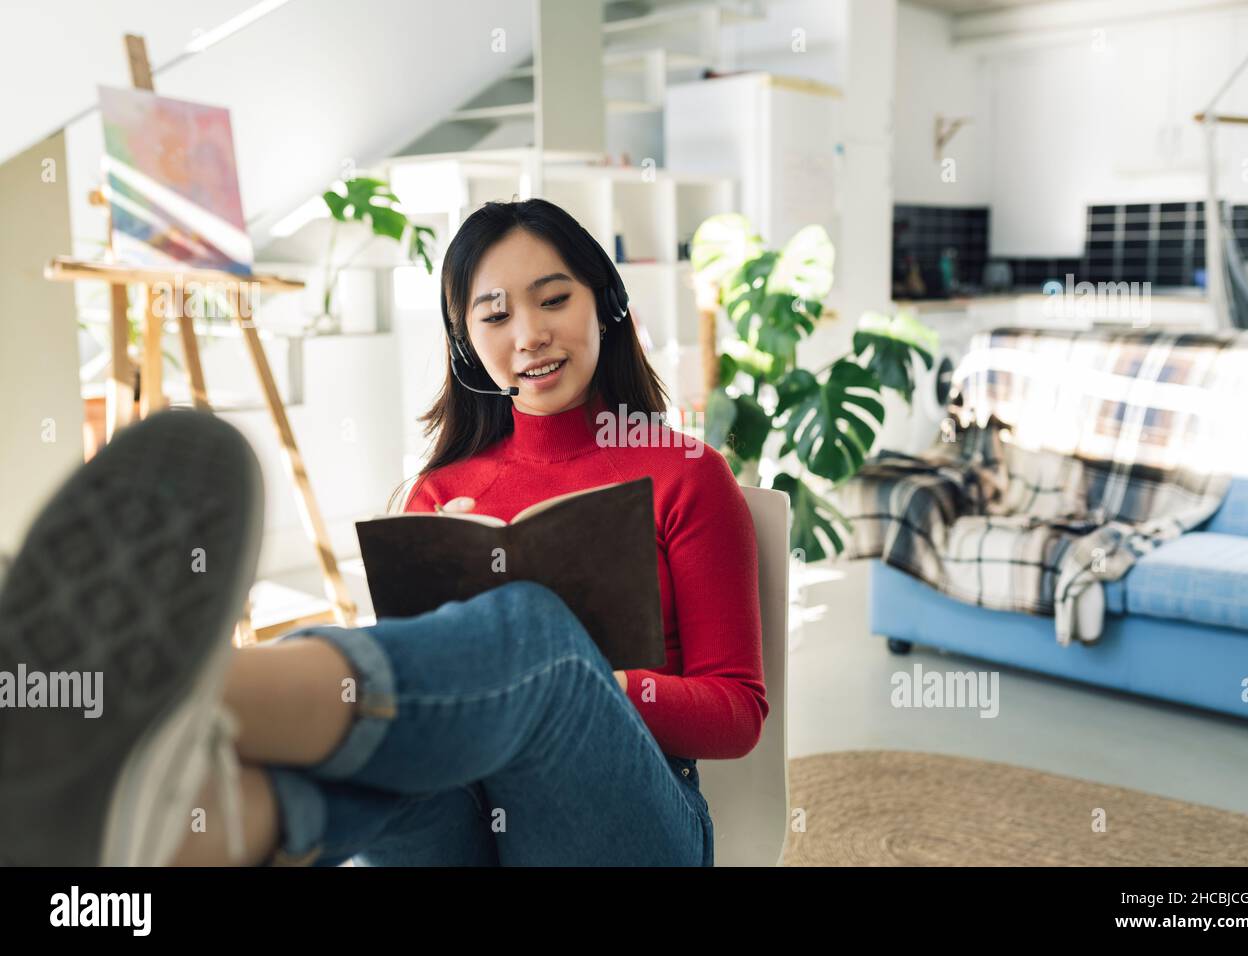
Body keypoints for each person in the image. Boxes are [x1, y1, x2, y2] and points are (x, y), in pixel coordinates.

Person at [0, 198, 767, 867]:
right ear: (467, 341)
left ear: (605, 303)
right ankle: (168, 838)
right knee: (376, 764)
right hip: (465, 829)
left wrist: (588, 685)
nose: (529, 333)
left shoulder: (685, 474)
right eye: (495, 314)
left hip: (630, 827)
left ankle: (161, 695)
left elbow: (736, 713)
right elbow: (413, 701)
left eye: (553, 299)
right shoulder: (439, 492)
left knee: (537, 634)